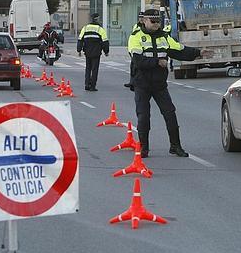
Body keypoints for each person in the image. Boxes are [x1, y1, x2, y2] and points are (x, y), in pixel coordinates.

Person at [128, 9, 212, 158]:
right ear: (144, 21)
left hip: (159, 84)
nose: (155, 24)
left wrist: (198, 53)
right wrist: (156, 62)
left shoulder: (164, 37)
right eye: (152, 21)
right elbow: (138, 61)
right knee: (143, 116)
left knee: (170, 114)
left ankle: (175, 146)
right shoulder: (136, 37)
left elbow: (180, 50)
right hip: (142, 84)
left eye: (158, 21)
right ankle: (144, 148)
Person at [77, 13, 109, 91]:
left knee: (88, 68)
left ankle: (87, 84)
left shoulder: (85, 28)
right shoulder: (100, 29)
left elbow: (80, 40)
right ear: (97, 19)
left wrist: (79, 50)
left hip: (87, 52)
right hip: (96, 52)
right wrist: (106, 51)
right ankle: (93, 86)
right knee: (94, 69)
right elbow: (105, 41)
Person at [124, 22, 141, 90]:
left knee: (137, 69)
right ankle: (132, 82)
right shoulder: (136, 25)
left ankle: (135, 83)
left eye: (142, 17)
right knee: (132, 68)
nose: (141, 19)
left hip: (140, 52)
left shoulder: (145, 27)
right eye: (140, 17)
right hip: (134, 51)